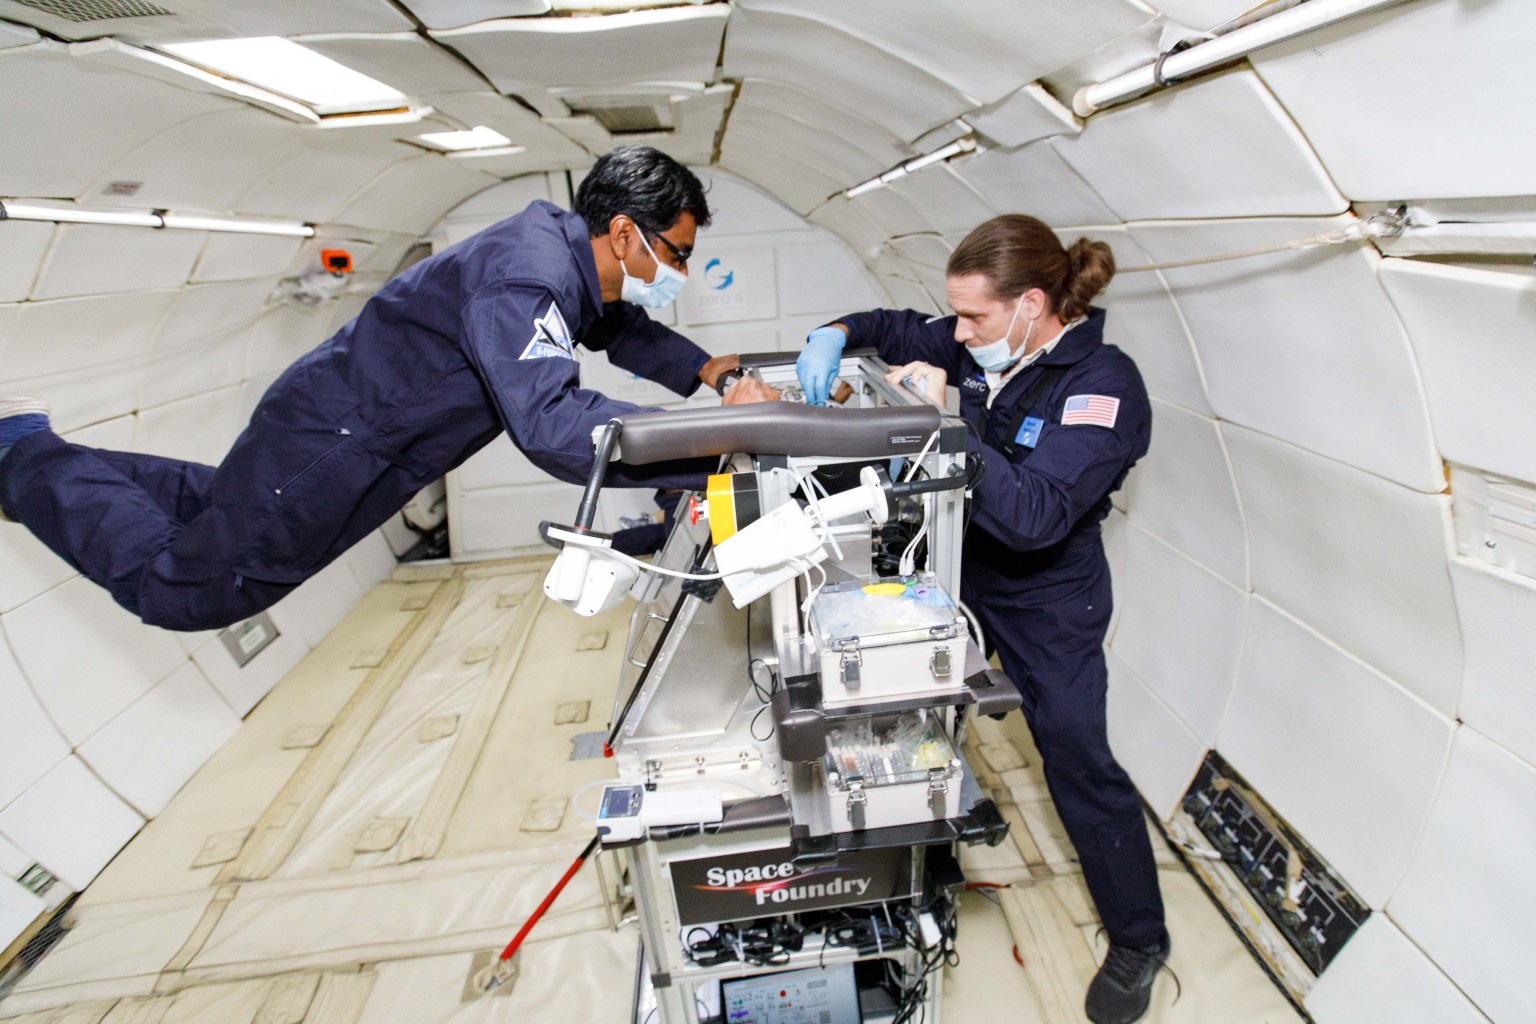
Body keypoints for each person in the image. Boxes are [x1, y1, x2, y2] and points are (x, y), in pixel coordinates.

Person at [0, 145, 774, 633]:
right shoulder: (523, 276)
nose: (675, 272)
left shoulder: (562, 260)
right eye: (673, 253)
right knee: (190, 591)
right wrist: (720, 447)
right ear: (622, 233)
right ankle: (26, 459)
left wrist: (720, 376)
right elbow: (553, 426)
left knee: (214, 512)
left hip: (341, 432)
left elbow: (616, 329)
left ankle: (44, 457)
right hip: (339, 444)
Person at [796, 215, 1165, 1024]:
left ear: (1032, 304)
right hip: (957, 567)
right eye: (955, 316)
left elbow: (1035, 515)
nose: (957, 333)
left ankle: (1139, 938)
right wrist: (832, 332)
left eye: (974, 318)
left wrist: (946, 428)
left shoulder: (1101, 386)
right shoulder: (973, 340)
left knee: (1074, 754)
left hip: (1046, 593)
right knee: (913, 715)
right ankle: (917, 875)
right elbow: (892, 325)